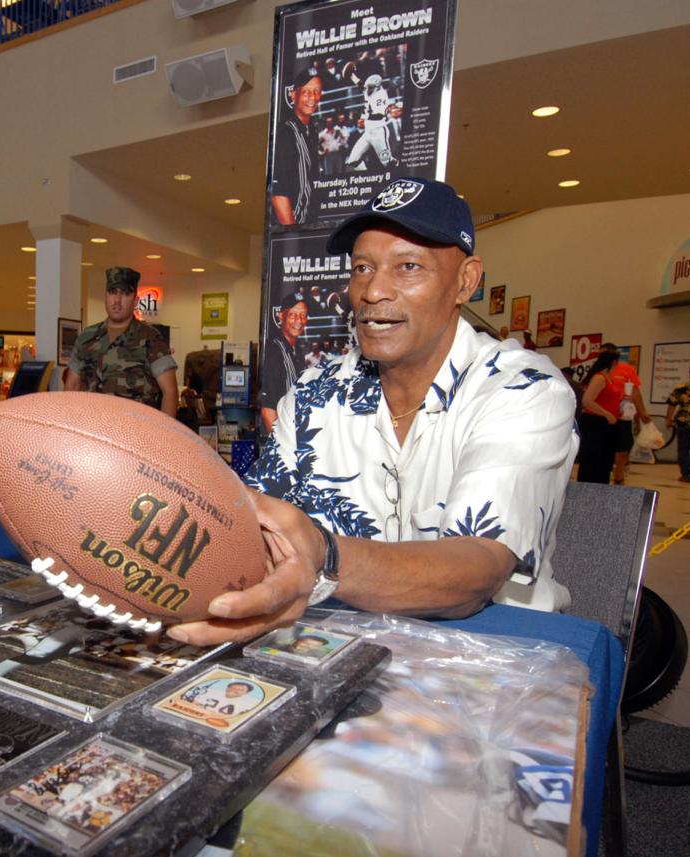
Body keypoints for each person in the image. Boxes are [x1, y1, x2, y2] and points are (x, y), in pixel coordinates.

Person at [166, 178, 578, 647]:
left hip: (495, 649)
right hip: (337, 635)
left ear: (466, 281)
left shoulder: (520, 390)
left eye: (408, 267)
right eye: (361, 268)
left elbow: (477, 570)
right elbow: (258, 528)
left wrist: (326, 557)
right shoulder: (315, 393)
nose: (373, 290)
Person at [65, 266, 178, 417]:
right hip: (92, 430)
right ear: (105, 296)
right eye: (112, 292)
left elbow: (170, 391)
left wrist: (164, 436)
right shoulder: (87, 337)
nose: (117, 300)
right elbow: (72, 385)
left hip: (134, 433)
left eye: (125, 293)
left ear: (135, 300)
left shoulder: (150, 338)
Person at [271, 67, 322, 227]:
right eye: (306, 92)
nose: (312, 97)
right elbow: (278, 193)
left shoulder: (311, 130)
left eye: (317, 91)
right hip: (289, 232)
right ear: (293, 95)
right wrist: (293, 237)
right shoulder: (285, 132)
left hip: (305, 227)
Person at [600, 342, 651, 485]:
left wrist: (642, 412)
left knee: (623, 447)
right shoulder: (599, 369)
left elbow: (635, 391)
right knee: (605, 447)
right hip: (602, 414)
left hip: (622, 414)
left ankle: (618, 475)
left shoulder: (627, 369)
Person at [260, 291, 308, 433]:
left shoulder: (297, 351)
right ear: (281, 316)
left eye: (303, 315)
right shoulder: (274, 351)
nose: (299, 320)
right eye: (293, 315)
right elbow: (268, 409)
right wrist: (280, 446)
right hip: (279, 441)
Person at [575, 350, 622, 484]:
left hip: (605, 424)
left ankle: (600, 485)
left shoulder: (609, 379)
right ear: (614, 362)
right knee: (593, 459)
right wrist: (606, 414)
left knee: (604, 460)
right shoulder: (599, 378)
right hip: (595, 424)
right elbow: (587, 400)